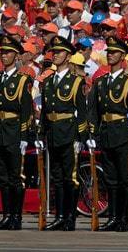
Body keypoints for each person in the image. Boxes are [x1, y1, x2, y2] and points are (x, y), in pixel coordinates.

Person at [87, 36, 128, 232]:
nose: (110, 55)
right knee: (110, 178)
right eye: (109, 52)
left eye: (114, 52)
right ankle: (113, 217)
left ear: (123, 56)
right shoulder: (101, 82)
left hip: (122, 132)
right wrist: (93, 133)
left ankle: (123, 219)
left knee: (124, 178)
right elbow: (94, 110)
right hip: (106, 132)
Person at [36, 36, 88, 231]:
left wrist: (80, 137)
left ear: (68, 56)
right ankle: (59, 216)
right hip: (53, 132)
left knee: (70, 177)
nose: (55, 55)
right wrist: (41, 134)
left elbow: (81, 112)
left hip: (68, 132)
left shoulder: (76, 82)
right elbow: (45, 112)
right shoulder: (48, 81)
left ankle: (69, 217)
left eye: (59, 52)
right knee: (57, 177)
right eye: (54, 52)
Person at [0, 34, 33, 231]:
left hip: (13, 131)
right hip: (0, 131)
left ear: (16, 55)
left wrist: (22, 136)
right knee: (2, 176)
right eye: (2, 53)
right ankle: (6, 215)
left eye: (8, 53)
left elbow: (26, 110)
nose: (3, 56)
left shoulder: (22, 80)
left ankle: (16, 216)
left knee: (15, 177)